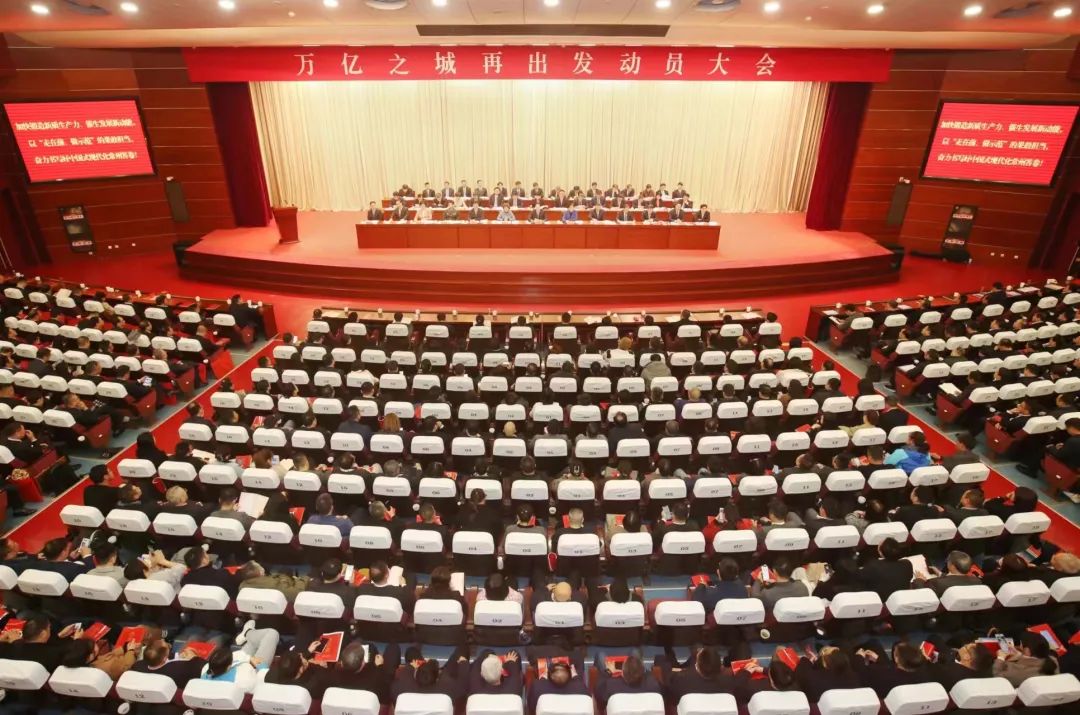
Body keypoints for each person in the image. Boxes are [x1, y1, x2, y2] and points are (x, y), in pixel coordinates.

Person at [200, 626, 280, 692]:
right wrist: (261, 666)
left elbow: (236, 656)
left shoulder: (205, 670)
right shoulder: (244, 682)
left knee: (252, 643)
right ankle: (247, 632)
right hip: (256, 670)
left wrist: (248, 658)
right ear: (229, 667)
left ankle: (247, 633)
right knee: (272, 633)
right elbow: (260, 681)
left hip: (244, 661)